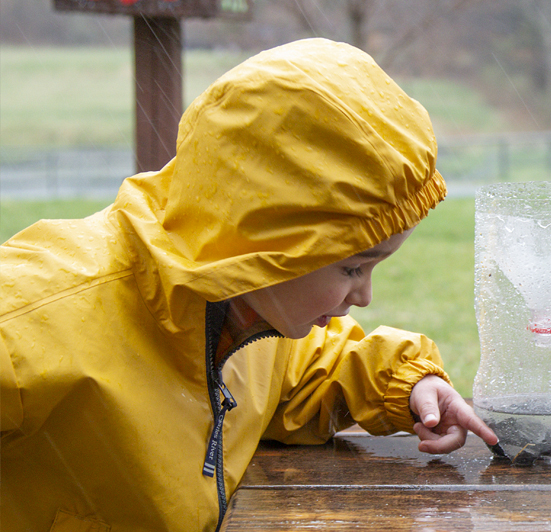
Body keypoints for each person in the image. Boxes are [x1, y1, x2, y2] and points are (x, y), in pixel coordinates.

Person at [0, 38, 498, 532]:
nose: (364, 296)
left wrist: (406, 383)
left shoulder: (249, 311)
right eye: (352, 268)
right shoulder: (43, 313)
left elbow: (302, 372)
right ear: (274, 241)